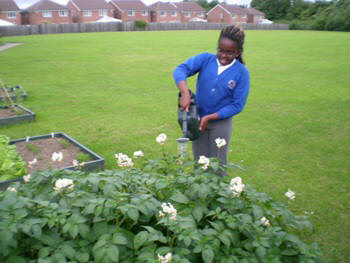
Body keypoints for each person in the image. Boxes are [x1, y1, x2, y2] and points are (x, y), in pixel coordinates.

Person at [173, 25, 250, 171]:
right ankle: (199, 193)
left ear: (238, 52)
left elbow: (237, 105)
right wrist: (185, 93)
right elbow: (180, 69)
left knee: (218, 165)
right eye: (220, 50)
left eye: (230, 52)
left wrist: (210, 117)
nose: (223, 56)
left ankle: (218, 193)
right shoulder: (205, 59)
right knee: (200, 164)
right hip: (197, 120)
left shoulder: (241, 72)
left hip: (221, 124)